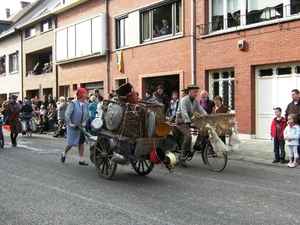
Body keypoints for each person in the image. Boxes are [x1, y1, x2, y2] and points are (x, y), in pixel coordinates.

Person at [175, 85, 207, 166]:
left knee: (202, 129)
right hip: (181, 120)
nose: (196, 93)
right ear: (189, 92)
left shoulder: (196, 101)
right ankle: (182, 156)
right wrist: (188, 122)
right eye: (194, 92)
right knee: (188, 137)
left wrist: (207, 117)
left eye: (197, 92)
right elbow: (184, 112)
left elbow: (201, 110)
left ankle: (197, 145)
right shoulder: (184, 100)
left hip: (190, 119)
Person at [61, 87, 90, 165]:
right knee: (71, 143)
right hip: (73, 126)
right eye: (85, 94)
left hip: (81, 127)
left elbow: (87, 115)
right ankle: (64, 153)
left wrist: (85, 122)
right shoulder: (73, 103)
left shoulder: (86, 103)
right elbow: (67, 114)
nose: (86, 95)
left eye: (86, 94)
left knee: (81, 142)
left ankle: (81, 159)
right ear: (80, 95)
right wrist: (70, 123)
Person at [285, 89, 300, 161]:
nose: (292, 96)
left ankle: (298, 158)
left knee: (298, 142)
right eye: (291, 94)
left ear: (298, 94)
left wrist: (296, 121)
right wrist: (288, 121)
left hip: (298, 126)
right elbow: (286, 114)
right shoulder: (290, 105)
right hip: (291, 127)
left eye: (293, 94)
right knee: (292, 144)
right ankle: (293, 158)